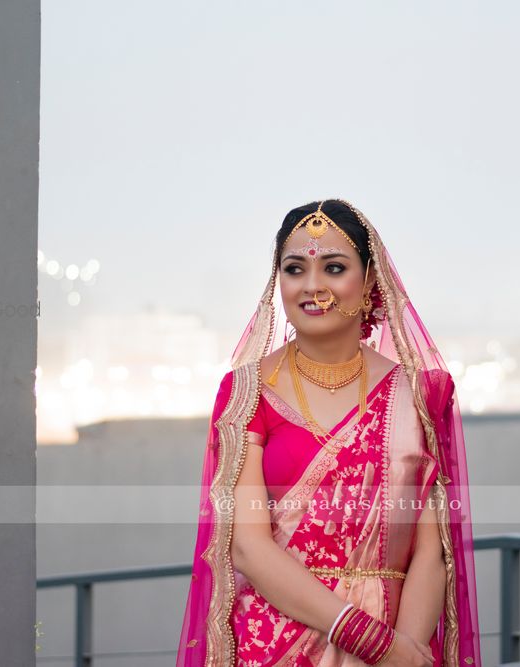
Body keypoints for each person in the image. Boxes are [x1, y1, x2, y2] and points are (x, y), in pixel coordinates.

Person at [177, 199, 481, 666]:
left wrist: (407, 653)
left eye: (334, 267)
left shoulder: (420, 394)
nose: (312, 287)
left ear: (371, 281)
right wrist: (373, 643)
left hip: (400, 638)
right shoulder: (247, 391)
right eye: (295, 269)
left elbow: (431, 552)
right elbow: (248, 547)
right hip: (276, 641)